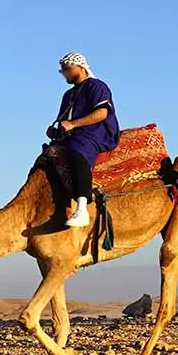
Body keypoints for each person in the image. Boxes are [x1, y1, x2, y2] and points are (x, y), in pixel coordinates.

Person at [43, 52, 119, 228]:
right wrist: (55, 132)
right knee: (48, 155)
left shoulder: (96, 86)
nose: (65, 74)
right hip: (73, 135)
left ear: (80, 67)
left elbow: (102, 113)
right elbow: (66, 123)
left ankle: (82, 208)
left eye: (67, 69)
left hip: (96, 132)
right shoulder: (68, 95)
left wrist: (73, 124)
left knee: (77, 152)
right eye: (62, 71)